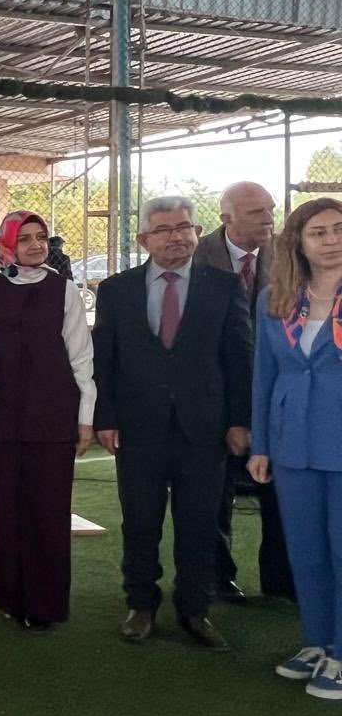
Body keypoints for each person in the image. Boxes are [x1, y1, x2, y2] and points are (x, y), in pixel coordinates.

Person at [93, 196, 253, 650]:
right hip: (137, 429)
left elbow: (240, 358)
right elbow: (104, 359)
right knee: (140, 522)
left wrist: (240, 420)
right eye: (163, 229)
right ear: (144, 239)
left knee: (199, 524)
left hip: (205, 430)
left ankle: (195, 609)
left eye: (184, 227)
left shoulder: (223, 286)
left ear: (197, 232)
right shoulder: (117, 289)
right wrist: (106, 417)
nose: (176, 237)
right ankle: (141, 605)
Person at [0, 212, 95, 632]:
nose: (35, 245)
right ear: (7, 244)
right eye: (24, 238)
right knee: (7, 510)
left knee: (49, 510)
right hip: (0, 417)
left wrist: (85, 418)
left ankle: (44, 605)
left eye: (41, 237)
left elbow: (81, 356)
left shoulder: (64, 290)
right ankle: (12, 598)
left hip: (53, 415)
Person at [248, 197, 342, 699]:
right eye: (318, 233)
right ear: (299, 244)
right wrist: (261, 445)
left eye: (339, 229)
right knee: (305, 552)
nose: (331, 240)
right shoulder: (276, 298)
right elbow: (264, 377)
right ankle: (318, 641)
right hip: (291, 447)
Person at [197, 181, 290, 603]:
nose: (268, 218)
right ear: (226, 218)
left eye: (270, 209)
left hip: (278, 391)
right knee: (215, 489)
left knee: (279, 487)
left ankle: (281, 581)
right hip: (214, 391)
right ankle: (219, 577)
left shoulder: (290, 253)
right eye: (256, 212)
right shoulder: (196, 255)